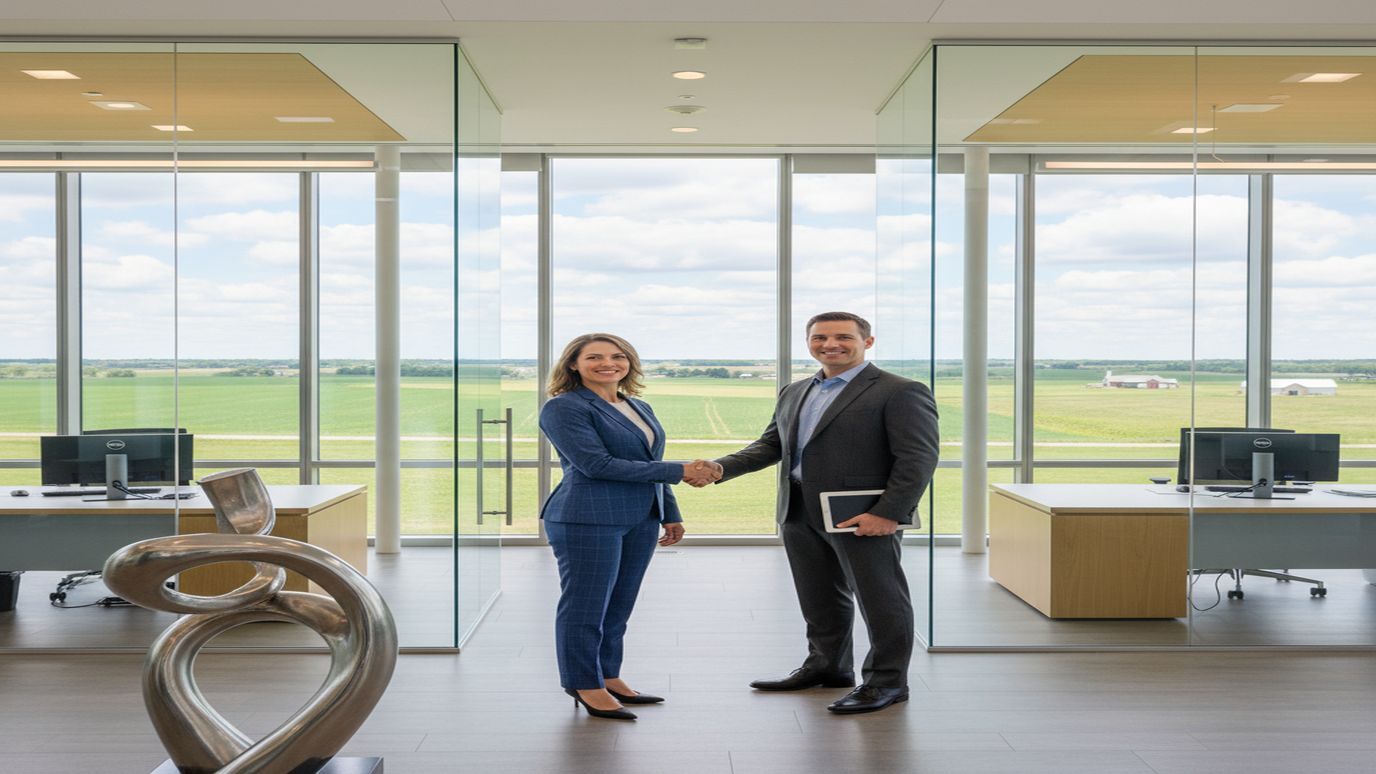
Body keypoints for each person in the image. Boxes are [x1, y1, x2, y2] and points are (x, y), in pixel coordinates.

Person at [692, 311, 939, 714]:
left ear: (868, 342)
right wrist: (721, 468)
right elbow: (771, 445)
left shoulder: (900, 391)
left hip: (861, 514)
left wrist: (889, 512)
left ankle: (887, 682)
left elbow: (918, 457)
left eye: (843, 337)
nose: (830, 345)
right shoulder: (795, 390)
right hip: (798, 509)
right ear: (809, 342)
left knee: (882, 599)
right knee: (819, 597)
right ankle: (828, 667)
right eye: (820, 337)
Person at [539, 333, 710, 721]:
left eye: (617, 356)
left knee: (619, 604)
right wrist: (682, 472)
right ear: (573, 365)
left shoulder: (638, 405)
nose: (608, 363)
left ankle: (609, 675)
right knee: (586, 606)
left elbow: (649, 460)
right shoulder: (564, 408)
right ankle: (584, 683)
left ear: (629, 363)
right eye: (594, 357)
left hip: (639, 518)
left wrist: (670, 510)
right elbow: (596, 465)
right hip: (586, 517)